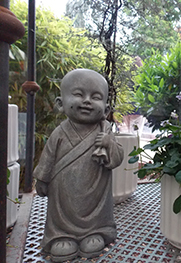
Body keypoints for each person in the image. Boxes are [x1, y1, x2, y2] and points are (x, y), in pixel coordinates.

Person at [34, 69, 124, 262]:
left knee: (97, 213)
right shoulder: (59, 133)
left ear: (106, 110)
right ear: (60, 103)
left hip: (96, 192)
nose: (87, 101)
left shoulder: (104, 132)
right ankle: (61, 235)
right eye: (78, 95)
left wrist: (108, 144)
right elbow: (48, 157)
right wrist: (42, 178)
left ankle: (96, 232)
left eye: (95, 97)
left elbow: (117, 158)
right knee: (60, 214)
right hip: (62, 194)